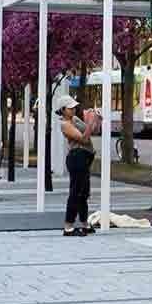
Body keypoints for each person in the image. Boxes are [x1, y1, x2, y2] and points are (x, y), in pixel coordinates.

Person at [57, 95, 100, 237]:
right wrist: (90, 122)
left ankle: (84, 223)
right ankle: (68, 226)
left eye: (74, 107)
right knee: (75, 192)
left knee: (84, 192)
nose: (74, 110)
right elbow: (84, 139)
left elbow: (92, 131)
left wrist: (95, 120)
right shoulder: (65, 124)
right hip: (77, 158)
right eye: (70, 108)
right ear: (63, 110)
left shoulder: (75, 119)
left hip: (85, 158)